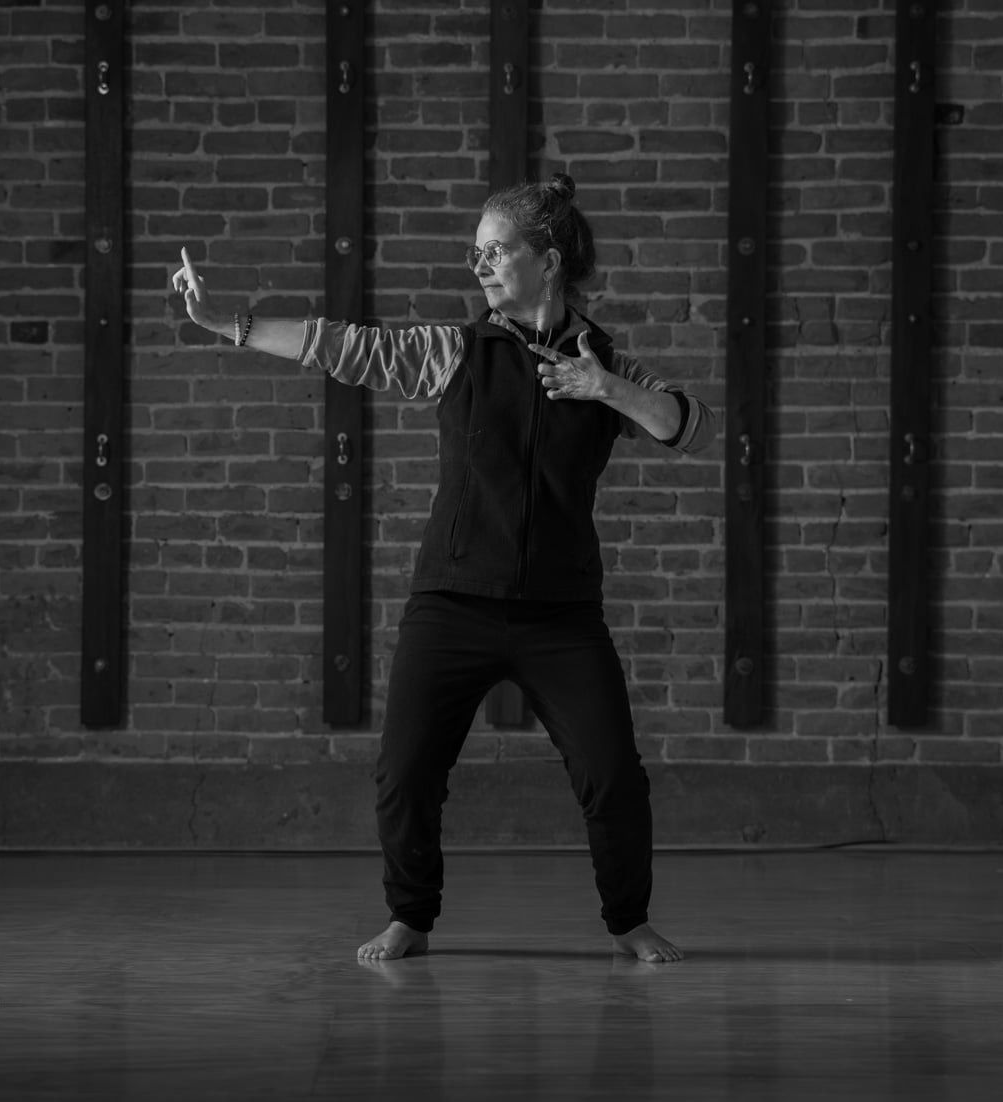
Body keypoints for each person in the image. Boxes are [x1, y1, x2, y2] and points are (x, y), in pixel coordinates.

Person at [170, 173, 715, 964]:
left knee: (614, 778)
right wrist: (227, 323)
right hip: (452, 602)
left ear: (549, 259)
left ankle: (628, 920)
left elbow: (691, 429)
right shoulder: (453, 352)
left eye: (497, 251)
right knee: (404, 772)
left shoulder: (608, 365)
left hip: (561, 614)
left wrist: (606, 387)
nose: (481, 266)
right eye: (476, 253)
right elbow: (344, 346)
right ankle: (411, 917)